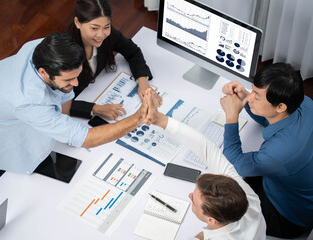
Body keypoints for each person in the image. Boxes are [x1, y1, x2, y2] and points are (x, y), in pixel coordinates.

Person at [0, 32, 153, 238]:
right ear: (43, 72)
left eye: (77, 75)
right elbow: (86, 138)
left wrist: (64, 123)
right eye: (69, 79)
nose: (76, 83)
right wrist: (138, 118)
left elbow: (64, 96)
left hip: (1, 111)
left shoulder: (47, 48)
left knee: (6, 167)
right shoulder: (27, 100)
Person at [144, 89, 266, 240]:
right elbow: (206, 148)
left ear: (211, 220)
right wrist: (160, 120)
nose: (189, 196)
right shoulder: (248, 199)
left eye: (194, 202)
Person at [220, 62, 313, 238]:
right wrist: (245, 97)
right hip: (300, 187)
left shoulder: (278, 153)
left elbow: (234, 162)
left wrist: (232, 116)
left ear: (281, 106)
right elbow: (270, 118)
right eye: (253, 91)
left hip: (286, 215)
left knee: (223, 208)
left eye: (257, 95)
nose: (250, 98)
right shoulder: (304, 102)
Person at [63, 0, 161, 120]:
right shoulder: (64, 53)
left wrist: (143, 82)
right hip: (76, 109)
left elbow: (133, 52)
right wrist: (95, 108)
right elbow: (57, 102)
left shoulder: (109, 35)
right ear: (77, 22)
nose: (101, 35)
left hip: (98, 88)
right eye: (94, 28)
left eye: (106, 27)